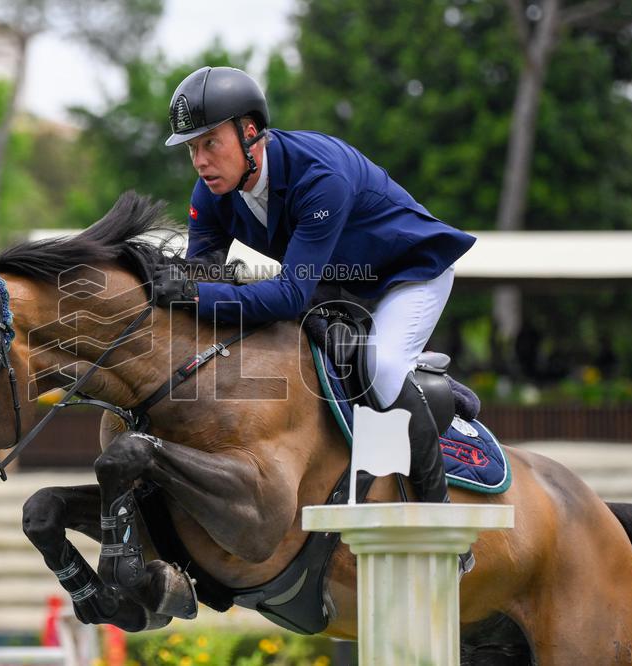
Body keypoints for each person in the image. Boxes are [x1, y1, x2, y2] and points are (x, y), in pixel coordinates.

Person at [153, 66, 477, 572]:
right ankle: (435, 398)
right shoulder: (211, 195)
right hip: (337, 281)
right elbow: (203, 277)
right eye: (191, 148)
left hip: (409, 273)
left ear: (250, 132)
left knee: (383, 368)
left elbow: (283, 295)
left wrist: (193, 294)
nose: (199, 162)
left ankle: (441, 520)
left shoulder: (318, 176)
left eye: (209, 144)